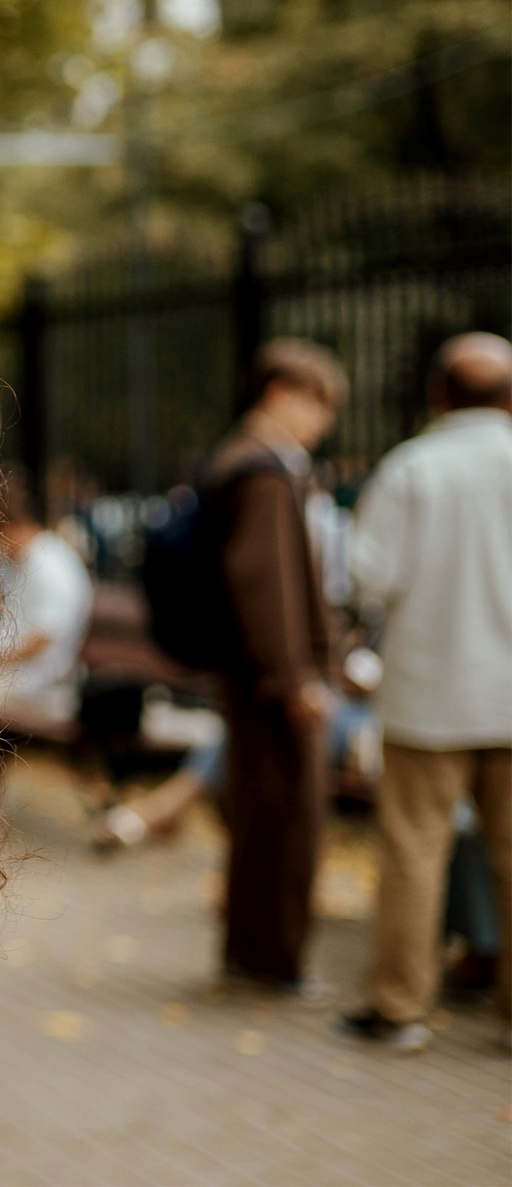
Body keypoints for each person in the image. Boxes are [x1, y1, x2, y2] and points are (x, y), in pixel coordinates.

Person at [341, 329, 512, 1053]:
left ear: (440, 393)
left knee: (415, 853)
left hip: (430, 695)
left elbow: (367, 576)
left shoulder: (413, 467)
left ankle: (401, 1007)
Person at [205, 337, 346, 995]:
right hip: (273, 678)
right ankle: (272, 957)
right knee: (287, 819)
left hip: (254, 671)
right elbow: (265, 581)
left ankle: (251, 950)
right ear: (279, 393)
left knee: (262, 811)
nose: (324, 421)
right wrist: (295, 678)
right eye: (317, 403)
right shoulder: (263, 469)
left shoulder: (246, 460)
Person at [0, 471, 94, 743]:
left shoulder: (50, 564)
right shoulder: (24, 559)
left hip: (37, 680)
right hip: (16, 675)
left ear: (15, 526)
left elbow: (41, 640)